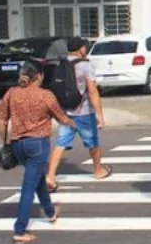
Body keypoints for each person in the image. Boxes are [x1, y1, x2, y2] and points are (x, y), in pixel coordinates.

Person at [0, 62, 76, 244]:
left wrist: (6, 142)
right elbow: (61, 117)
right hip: (38, 144)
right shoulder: (45, 95)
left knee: (38, 179)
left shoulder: (12, 93)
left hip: (17, 145)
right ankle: (20, 230)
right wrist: (75, 124)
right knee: (28, 188)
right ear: (38, 76)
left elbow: (0, 120)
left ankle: (50, 212)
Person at [44, 36, 110, 192]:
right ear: (81, 49)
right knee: (92, 142)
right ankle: (98, 170)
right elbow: (92, 91)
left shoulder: (62, 63)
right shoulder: (85, 66)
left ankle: (51, 176)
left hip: (65, 111)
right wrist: (99, 114)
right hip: (84, 112)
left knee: (61, 143)